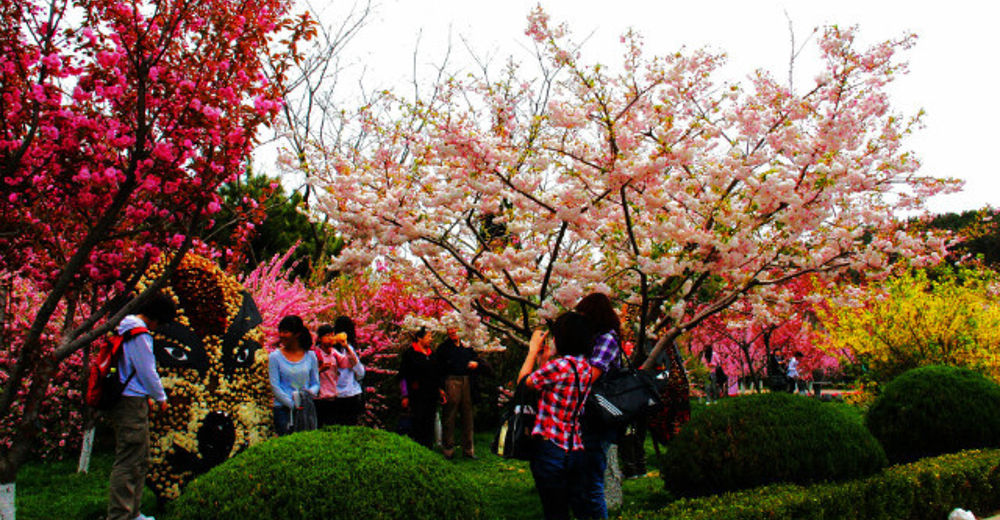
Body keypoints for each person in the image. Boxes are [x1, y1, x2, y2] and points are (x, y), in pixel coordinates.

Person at [518, 312, 596, 520]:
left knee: (554, 511)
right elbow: (551, 387)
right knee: (576, 508)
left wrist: (532, 352)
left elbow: (524, 384)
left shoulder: (560, 366)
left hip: (551, 448)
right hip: (575, 447)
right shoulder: (585, 368)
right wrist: (544, 360)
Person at [106, 291, 176, 520]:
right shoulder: (139, 333)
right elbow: (148, 371)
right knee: (129, 461)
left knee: (139, 458)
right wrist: (161, 398)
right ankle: (120, 515)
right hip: (130, 403)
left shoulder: (126, 326)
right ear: (158, 317)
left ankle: (133, 512)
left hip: (132, 398)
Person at [574, 292, 623, 519]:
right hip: (586, 417)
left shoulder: (606, 340)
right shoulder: (593, 340)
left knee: (592, 484)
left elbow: (589, 376)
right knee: (582, 483)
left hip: (598, 418)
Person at [269, 315, 320, 436]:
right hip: (283, 410)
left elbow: (315, 383)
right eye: (280, 332)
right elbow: (275, 386)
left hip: (306, 409)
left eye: (285, 332)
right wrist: (292, 404)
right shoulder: (275, 357)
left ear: (296, 334)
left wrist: (305, 398)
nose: (282, 335)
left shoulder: (310, 356)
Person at [437, 327, 483, 459]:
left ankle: (468, 450)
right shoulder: (443, 348)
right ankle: (448, 449)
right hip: (451, 381)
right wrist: (440, 388)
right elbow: (438, 368)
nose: (452, 332)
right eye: (450, 330)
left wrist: (476, 364)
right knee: (449, 415)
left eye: (455, 329)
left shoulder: (467, 346)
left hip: (467, 381)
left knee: (468, 416)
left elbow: (477, 360)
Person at [398, 327, 446, 449]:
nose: (431, 339)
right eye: (428, 336)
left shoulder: (432, 354)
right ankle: (417, 449)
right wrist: (405, 395)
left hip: (431, 395)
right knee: (418, 423)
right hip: (416, 396)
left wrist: (440, 390)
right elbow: (403, 375)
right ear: (420, 338)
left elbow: (437, 373)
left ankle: (428, 449)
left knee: (429, 423)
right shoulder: (410, 354)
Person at [330, 316, 365, 425]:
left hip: (333, 395)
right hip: (350, 394)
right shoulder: (349, 349)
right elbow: (360, 374)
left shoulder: (327, 350)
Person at [314, 323, 346, 427]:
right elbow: (307, 377)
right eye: (327, 335)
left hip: (333, 397)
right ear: (319, 339)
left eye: (332, 335)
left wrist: (346, 346)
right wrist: (320, 370)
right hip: (319, 399)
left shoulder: (334, 353)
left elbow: (350, 363)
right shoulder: (315, 354)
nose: (331, 338)